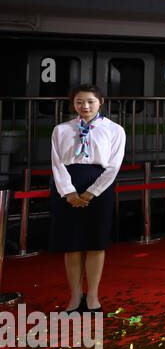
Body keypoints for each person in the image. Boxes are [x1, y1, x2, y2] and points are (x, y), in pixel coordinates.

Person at [48, 85, 124, 314]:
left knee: (95, 243)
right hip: (67, 184)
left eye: (90, 101)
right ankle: (74, 297)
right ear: (73, 104)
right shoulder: (61, 130)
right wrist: (68, 192)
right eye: (79, 102)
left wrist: (93, 192)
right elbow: (56, 162)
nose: (85, 106)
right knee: (71, 245)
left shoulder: (115, 129)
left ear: (101, 102)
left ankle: (92, 297)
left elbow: (114, 165)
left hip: (100, 184)